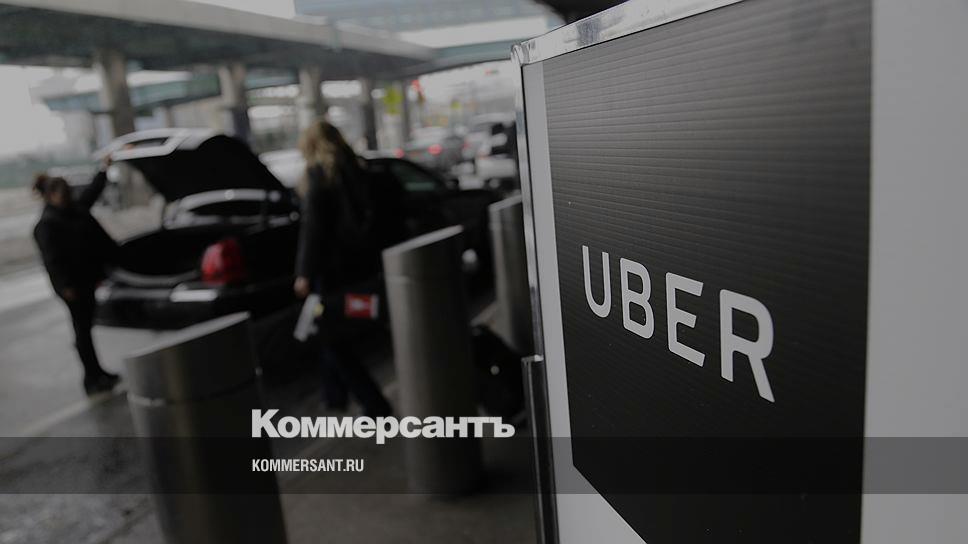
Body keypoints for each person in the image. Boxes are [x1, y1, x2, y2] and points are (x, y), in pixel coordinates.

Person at [294, 119, 392, 417]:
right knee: (330, 329)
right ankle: (333, 396)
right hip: (358, 266)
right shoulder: (356, 169)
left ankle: (375, 405)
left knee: (330, 338)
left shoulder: (319, 176)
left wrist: (304, 273)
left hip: (329, 272)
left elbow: (313, 230)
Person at [32, 162, 120, 395]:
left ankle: (98, 373)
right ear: (51, 196)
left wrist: (103, 170)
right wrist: (65, 287)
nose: (67, 197)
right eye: (63, 194)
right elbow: (52, 261)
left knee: (86, 329)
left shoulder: (73, 210)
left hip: (86, 280)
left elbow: (92, 191)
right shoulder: (47, 225)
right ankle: (91, 378)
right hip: (72, 288)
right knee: (82, 331)